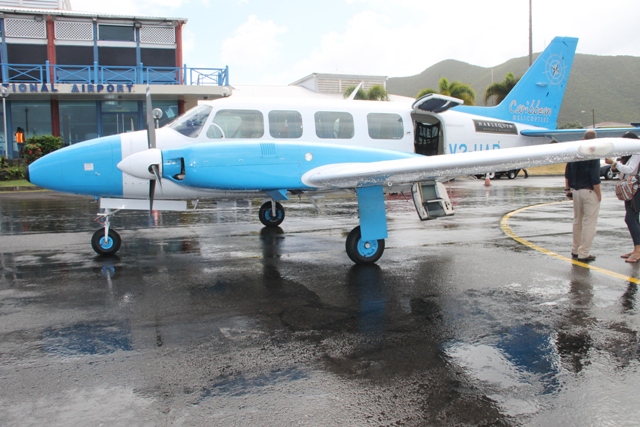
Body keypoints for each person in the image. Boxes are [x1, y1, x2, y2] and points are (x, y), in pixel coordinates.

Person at [565, 129, 601, 262]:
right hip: (588, 190)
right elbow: (595, 177)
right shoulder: (593, 153)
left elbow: (567, 172)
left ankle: (575, 249)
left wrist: (568, 189)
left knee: (577, 221)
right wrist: (598, 193)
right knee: (589, 223)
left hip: (576, 191)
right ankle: (584, 252)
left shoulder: (575, 152)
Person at [605, 131, 640, 263]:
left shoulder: (637, 152)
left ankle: (638, 250)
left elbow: (630, 170)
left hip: (636, 189)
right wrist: (616, 167)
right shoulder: (631, 153)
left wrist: (615, 163)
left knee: (630, 218)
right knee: (633, 218)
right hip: (631, 189)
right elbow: (624, 174)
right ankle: (637, 247)